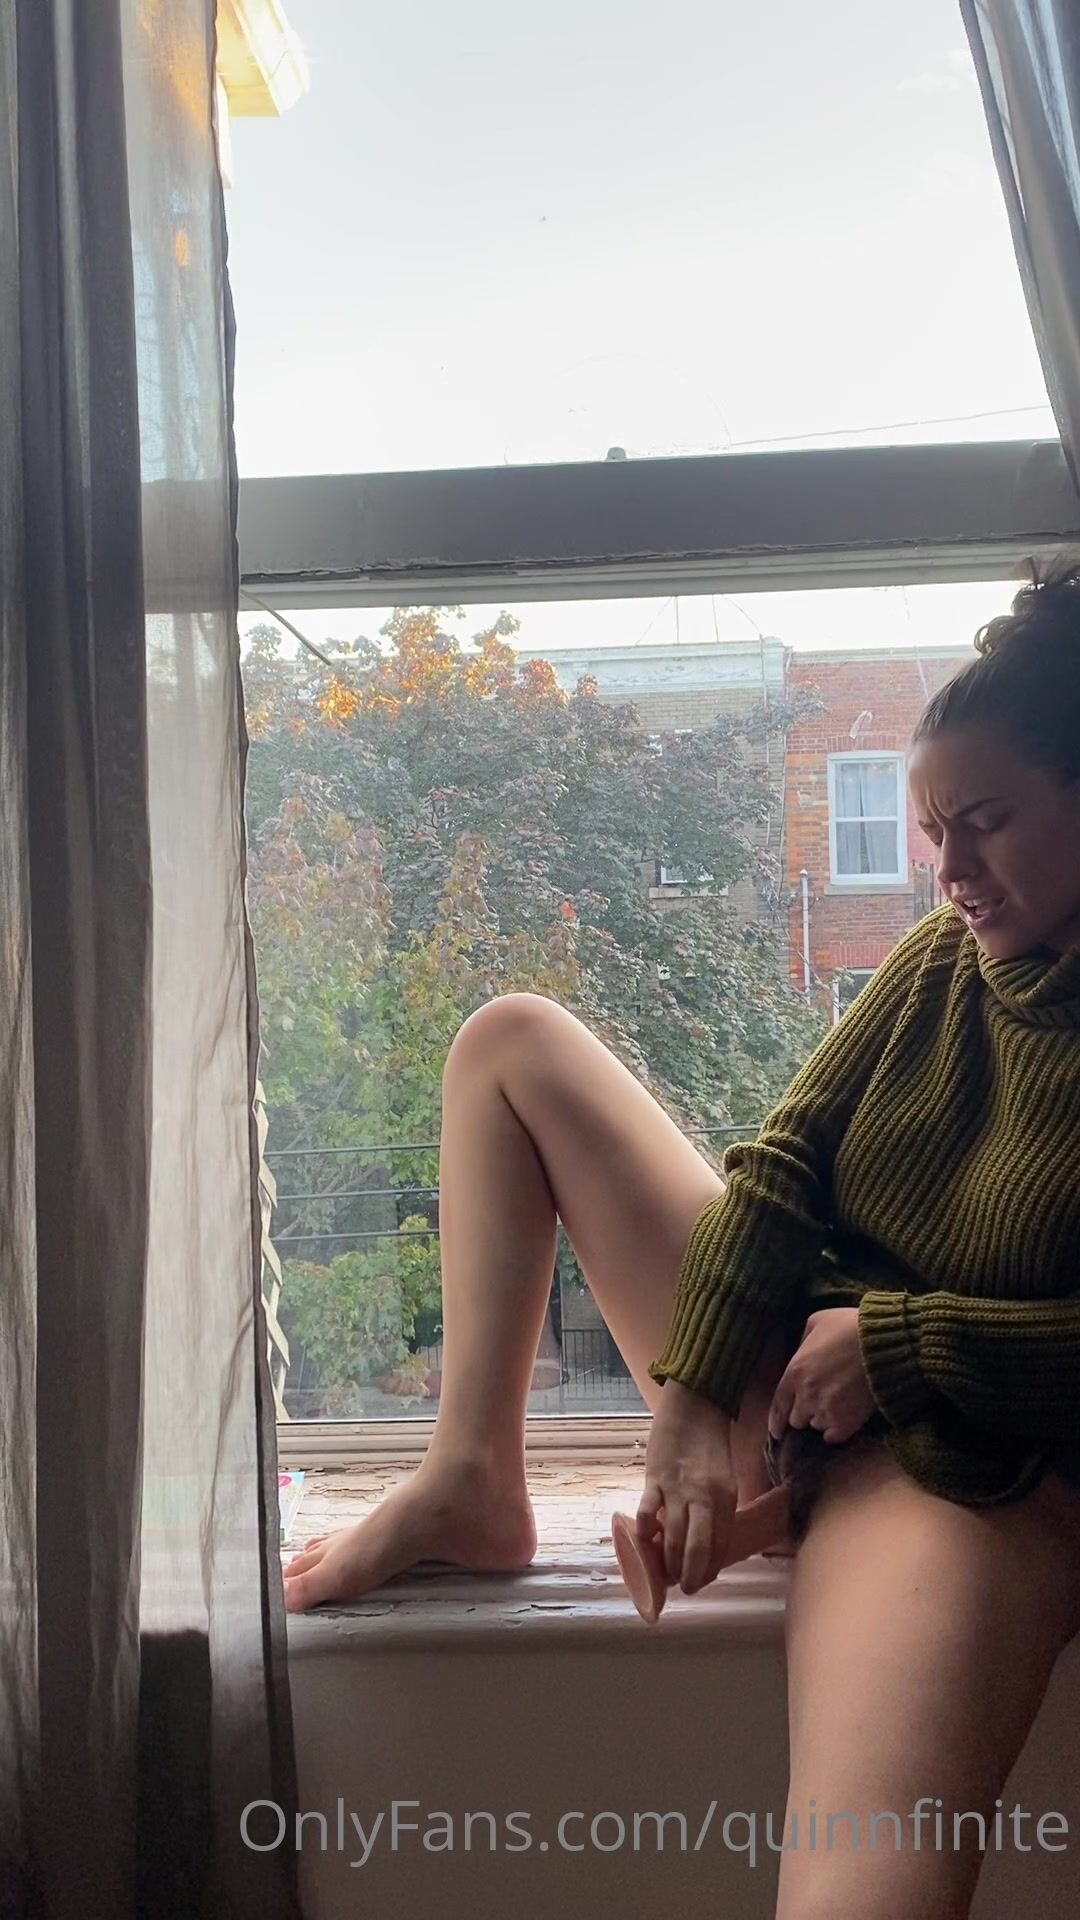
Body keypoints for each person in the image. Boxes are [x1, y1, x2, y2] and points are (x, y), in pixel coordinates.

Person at [284, 564, 1080, 1919]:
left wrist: (898, 1349)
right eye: (934, 831)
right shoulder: (942, 961)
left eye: (989, 825)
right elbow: (780, 1170)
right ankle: (471, 1476)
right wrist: (691, 1407)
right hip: (799, 1378)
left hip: (975, 1465)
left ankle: (805, 1496)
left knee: (859, 1894)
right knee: (511, 1048)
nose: (949, 874)